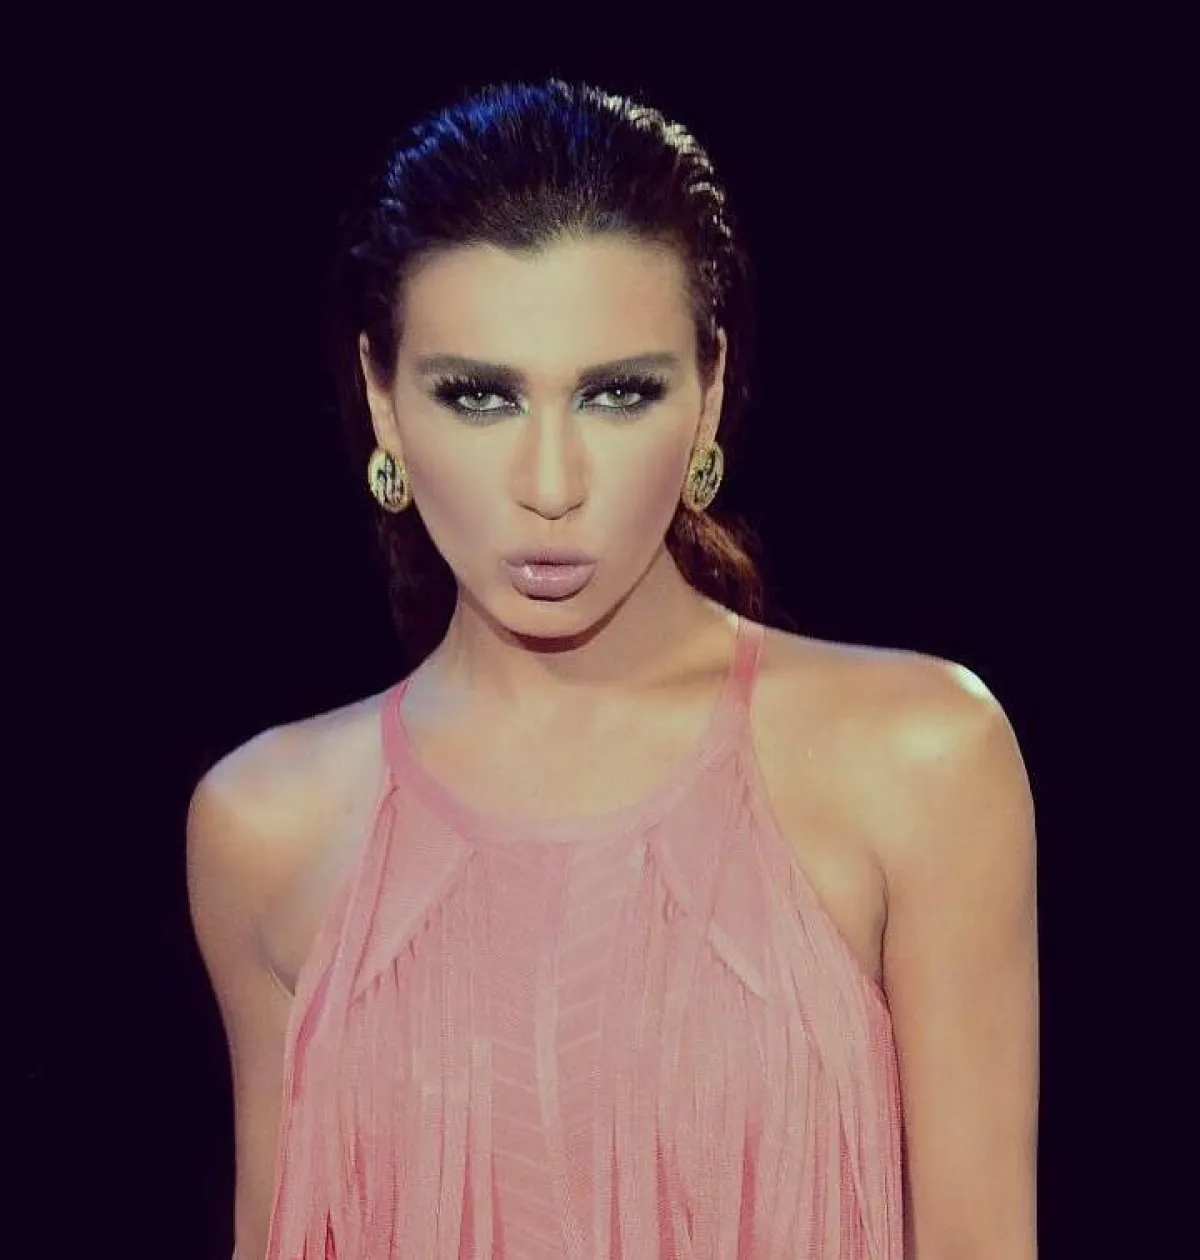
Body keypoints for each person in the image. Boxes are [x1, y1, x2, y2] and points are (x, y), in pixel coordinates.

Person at [187, 78, 1039, 1260]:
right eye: (479, 395)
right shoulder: (266, 826)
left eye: (618, 393)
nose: (552, 483)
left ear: (709, 393)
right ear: (383, 399)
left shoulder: (918, 760)